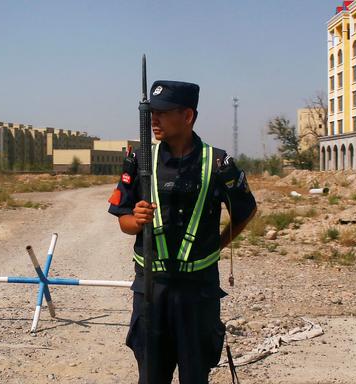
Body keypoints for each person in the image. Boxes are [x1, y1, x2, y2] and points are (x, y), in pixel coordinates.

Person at [107, 80, 257, 383]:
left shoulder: (217, 163)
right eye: (151, 113)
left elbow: (246, 211)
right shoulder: (140, 160)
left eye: (163, 113)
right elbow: (123, 220)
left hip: (197, 291)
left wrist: (217, 245)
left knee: (195, 376)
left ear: (187, 116)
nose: (154, 120)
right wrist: (136, 220)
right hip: (151, 289)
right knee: (151, 376)